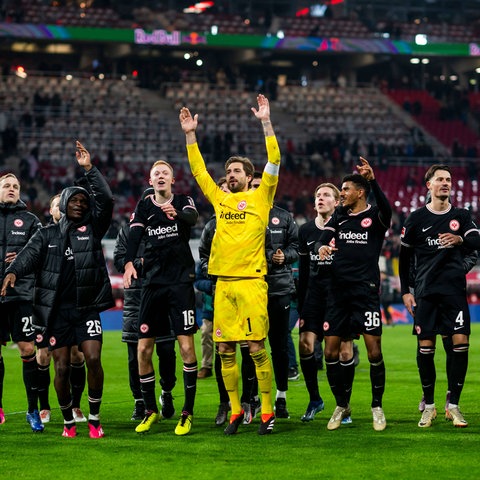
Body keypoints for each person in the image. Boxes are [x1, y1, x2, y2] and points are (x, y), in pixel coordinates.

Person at [179, 94, 280, 435]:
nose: (230, 174)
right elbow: (197, 171)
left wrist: (266, 122)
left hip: (252, 282)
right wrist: (190, 134)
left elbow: (275, 158)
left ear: (251, 176)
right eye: (228, 171)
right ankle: (235, 410)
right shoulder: (220, 199)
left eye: (236, 170)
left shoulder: (262, 196)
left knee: (255, 347)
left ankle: (267, 412)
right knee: (223, 348)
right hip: (223, 284)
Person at [1, 141, 114, 438]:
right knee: (61, 368)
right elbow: (27, 255)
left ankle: (93, 418)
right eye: (74, 201)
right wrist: (13, 271)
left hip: (85, 309)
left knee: (92, 358)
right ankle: (67, 421)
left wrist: (89, 169)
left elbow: (106, 198)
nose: (80, 204)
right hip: (56, 313)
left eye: (83, 202)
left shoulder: (92, 229)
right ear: (62, 206)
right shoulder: (47, 233)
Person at [399, 164, 480, 428]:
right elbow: (404, 258)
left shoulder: (462, 216)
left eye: (448, 179)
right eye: (440, 180)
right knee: (426, 348)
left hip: (454, 292)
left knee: (460, 343)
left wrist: (460, 240)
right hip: (425, 293)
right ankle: (430, 406)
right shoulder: (416, 219)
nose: (445, 183)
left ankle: (453, 406)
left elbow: (476, 241)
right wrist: (405, 292)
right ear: (429, 185)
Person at [123, 160, 198, 436]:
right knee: (143, 349)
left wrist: (175, 213)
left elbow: (193, 219)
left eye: (165, 173)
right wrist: (130, 262)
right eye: (156, 174)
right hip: (152, 284)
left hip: (180, 284)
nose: (161, 177)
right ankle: (150, 410)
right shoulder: (143, 206)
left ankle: (187, 413)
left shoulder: (183, 201)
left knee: (187, 349)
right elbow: (134, 235)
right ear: (150, 181)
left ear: (172, 179)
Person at [318, 157, 392, 431]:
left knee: (374, 352)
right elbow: (323, 239)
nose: (342, 194)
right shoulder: (339, 215)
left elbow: (387, 208)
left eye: (346, 189)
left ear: (360, 192)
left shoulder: (375, 216)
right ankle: (342, 404)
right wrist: (322, 248)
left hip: (366, 291)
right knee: (330, 351)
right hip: (338, 292)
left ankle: (376, 406)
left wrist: (373, 179)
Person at [197, 177, 260, 426]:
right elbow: (202, 258)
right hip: (218, 298)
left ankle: (247, 401)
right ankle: (225, 404)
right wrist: (212, 277)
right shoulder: (211, 226)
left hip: (244, 293)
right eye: (220, 191)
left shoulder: (250, 220)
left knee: (249, 351)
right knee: (224, 352)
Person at [113, 188, 177, 422]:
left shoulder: (171, 227)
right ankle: (140, 402)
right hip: (136, 300)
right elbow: (120, 259)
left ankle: (166, 392)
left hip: (164, 297)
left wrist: (140, 263)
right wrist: (143, 262)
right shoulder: (129, 230)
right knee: (134, 357)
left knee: (167, 353)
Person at [36, 193, 87, 425]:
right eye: (56, 205)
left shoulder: (79, 234)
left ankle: (76, 406)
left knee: (77, 355)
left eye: (62, 204)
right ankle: (44, 407)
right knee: (43, 356)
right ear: (51, 211)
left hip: (73, 308)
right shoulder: (44, 236)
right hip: (47, 308)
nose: (60, 208)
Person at [251, 172, 299, 419]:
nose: (259, 188)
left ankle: (281, 397)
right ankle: (254, 399)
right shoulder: (244, 214)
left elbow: (296, 247)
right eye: (255, 185)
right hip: (250, 289)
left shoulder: (283, 216)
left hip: (278, 289)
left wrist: (285, 256)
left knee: (279, 347)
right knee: (251, 347)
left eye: (262, 184)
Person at [0, 172, 42, 430]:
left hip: (22, 297)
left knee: (27, 350)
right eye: (6, 185)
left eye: (16, 185)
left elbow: (41, 256)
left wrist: (21, 262)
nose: (12, 189)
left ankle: (32, 410)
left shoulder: (30, 221)